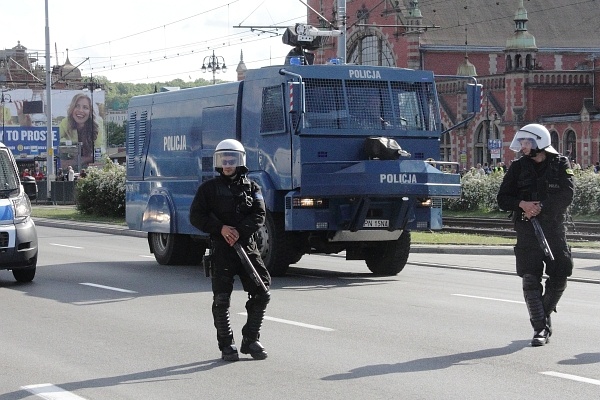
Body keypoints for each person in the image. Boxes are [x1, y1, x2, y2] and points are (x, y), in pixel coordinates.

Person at [189, 139, 271, 361]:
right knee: (222, 299)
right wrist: (221, 229)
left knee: (262, 291)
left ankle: (251, 339)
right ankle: (227, 344)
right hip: (221, 249)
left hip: (247, 246)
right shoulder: (208, 189)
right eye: (223, 159)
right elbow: (196, 216)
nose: (227, 164)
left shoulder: (253, 188)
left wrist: (239, 232)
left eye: (231, 159)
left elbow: (259, 215)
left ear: (240, 161)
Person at [497, 123, 574, 347]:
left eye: (527, 142)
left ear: (539, 142)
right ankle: (540, 328)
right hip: (526, 229)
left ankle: (543, 314)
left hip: (553, 227)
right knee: (530, 278)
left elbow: (567, 194)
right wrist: (522, 204)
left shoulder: (560, 164)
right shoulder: (518, 167)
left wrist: (540, 207)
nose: (523, 146)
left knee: (561, 273)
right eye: (521, 142)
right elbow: (503, 198)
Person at [59, 93, 105, 167]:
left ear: (90, 111)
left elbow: (99, 151)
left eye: (85, 107)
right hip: (70, 165)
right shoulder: (65, 122)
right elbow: (54, 142)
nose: (81, 110)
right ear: (72, 108)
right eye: (77, 106)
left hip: (92, 166)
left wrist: (81, 160)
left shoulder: (97, 124)